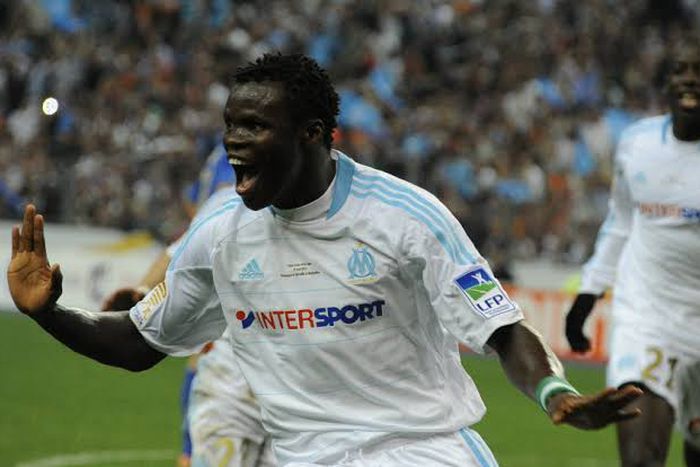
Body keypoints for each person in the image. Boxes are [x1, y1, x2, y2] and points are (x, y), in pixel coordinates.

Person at [8, 53, 642, 467]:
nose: (234, 143)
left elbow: (502, 329)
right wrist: (49, 314)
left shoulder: (404, 217)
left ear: (312, 133)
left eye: (255, 127)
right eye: (231, 126)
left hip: (420, 452)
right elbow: (140, 343)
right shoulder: (220, 236)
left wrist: (555, 392)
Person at [565, 38, 700, 467]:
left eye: (699, 71)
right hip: (648, 318)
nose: (690, 80)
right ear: (668, 83)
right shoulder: (637, 144)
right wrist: (588, 294)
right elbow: (621, 221)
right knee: (641, 459)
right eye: (681, 70)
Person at [103, 177, 275, 467]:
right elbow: (178, 254)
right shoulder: (227, 204)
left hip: (302, 392)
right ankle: (188, 448)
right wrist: (143, 294)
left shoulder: (339, 209)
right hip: (231, 385)